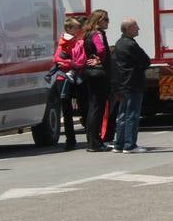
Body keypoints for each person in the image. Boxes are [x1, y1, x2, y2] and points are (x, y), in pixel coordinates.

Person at [111, 17, 151, 153]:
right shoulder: (130, 44)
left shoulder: (119, 43)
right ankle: (129, 145)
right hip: (133, 83)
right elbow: (146, 61)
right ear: (127, 29)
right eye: (135, 27)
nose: (138, 28)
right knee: (132, 114)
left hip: (122, 83)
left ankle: (119, 144)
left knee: (122, 114)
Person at [80, 9, 113, 152]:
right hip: (99, 74)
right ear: (98, 20)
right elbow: (100, 49)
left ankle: (92, 141)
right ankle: (95, 142)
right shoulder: (97, 34)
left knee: (93, 108)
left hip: (90, 74)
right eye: (105, 19)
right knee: (97, 108)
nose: (108, 22)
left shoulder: (87, 34)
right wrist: (100, 59)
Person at [52, 17, 86, 149]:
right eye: (77, 27)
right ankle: (70, 140)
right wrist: (71, 63)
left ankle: (90, 137)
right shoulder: (64, 42)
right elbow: (57, 59)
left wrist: (70, 63)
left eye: (79, 27)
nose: (79, 29)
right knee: (67, 111)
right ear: (69, 29)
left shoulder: (78, 41)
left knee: (84, 107)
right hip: (65, 79)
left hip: (76, 76)